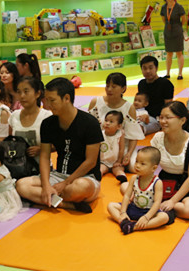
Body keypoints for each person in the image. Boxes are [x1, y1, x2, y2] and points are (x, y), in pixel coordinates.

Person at [16, 77, 103, 213]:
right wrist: (46, 186)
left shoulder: (90, 123)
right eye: (46, 100)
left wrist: (66, 183)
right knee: (21, 185)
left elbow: (91, 162)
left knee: (79, 188)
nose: (47, 105)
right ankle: (66, 205)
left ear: (66, 98)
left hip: (86, 178)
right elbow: (44, 156)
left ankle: (48, 199)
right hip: (58, 175)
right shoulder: (48, 123)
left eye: (52, 100)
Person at [145, 101, 189, 220]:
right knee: (126, 188)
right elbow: (148, 166)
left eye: (168, 118)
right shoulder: (158, 138)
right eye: (161, 117)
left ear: (182, 120)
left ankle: (159, 207)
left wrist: (173, 201)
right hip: (164, 181)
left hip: (187, 184)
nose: (163, 121)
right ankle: (162, 207)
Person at [108, 147, 173, 234]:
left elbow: (157, 203)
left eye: (142, 164)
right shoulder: (134, 178)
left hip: (149, 212)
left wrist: (147, 217)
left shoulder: (157, 182)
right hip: (133, 208)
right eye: (136, 161)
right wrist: (123, 212)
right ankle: (123, 221)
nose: (137, 165)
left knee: (164, 217)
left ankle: (133, 227)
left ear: (154, 168)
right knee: (111, 206)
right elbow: (127, 195)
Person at [89, 73, 145, 171]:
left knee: (134, 167)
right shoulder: (95, 102)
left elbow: (133, 136)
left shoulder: (129, 107)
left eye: (113, 86)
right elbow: (87, 129)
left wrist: (128, 154)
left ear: (123, 88)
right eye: (107, 86)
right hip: (100, 146)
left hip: (121, 148)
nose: (109, 89)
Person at [9, 76, 52, 168]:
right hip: (19, 168)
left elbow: (58, 144)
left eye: (26, 91)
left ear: (37, 94)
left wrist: (41, 149)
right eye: (19, 92)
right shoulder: (14, 116)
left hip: (42, 168)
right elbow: (9, 141)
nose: (22, 96)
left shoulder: (47, 116)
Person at [137, 55, 174, 135]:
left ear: (156, 68)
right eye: (144, 68)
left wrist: (163, 121)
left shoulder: (166, 84)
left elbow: (168, 106)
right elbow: (140, 102)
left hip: (156, 119)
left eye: (150, 68)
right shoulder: (141, 83)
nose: (147, 71)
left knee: (137, 130)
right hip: (141, 115)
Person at [160, 0, 188, 80]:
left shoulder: (179, 7)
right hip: (168, 32)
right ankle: (167, 73)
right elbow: (164, 20)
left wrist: (178, 27)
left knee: (179, 53)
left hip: (177, 32)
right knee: (169, 53)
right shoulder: (163, 7)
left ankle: (180, 73)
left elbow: (183, 20)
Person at [100, 110, 128, 183]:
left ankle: (121, 176)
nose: (107, 123)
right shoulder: (101, 134)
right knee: (101, 169)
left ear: (119, 126)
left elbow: (121, 149)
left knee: (118, 169)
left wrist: (119, 161)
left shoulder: (120, 135)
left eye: (111, 122)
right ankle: (98, 175)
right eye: (106, 120)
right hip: (103, 162)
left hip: (115, 162)